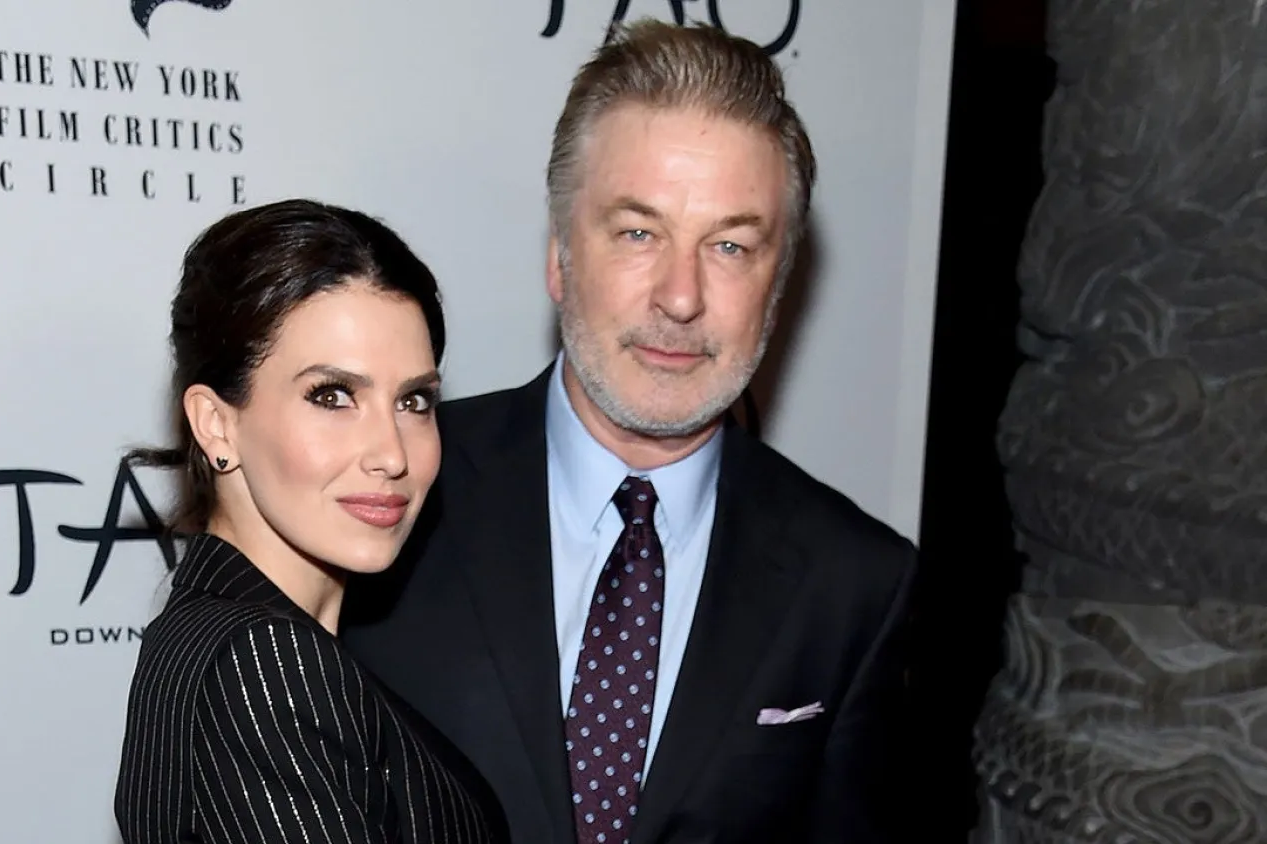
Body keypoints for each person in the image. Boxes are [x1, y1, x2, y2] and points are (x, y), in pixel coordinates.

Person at [341, 20, 918, 844]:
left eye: (729, 245)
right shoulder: (387, 489)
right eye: (639, 233)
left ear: (778, 287)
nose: (680, 297)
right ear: (558, 258)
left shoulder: (855, 581)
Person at [113, 198, 507, 844]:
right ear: (217, 424)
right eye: (332, 396)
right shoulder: (261, 662)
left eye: (414, 400)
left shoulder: (207, 633)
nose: (390, 453)